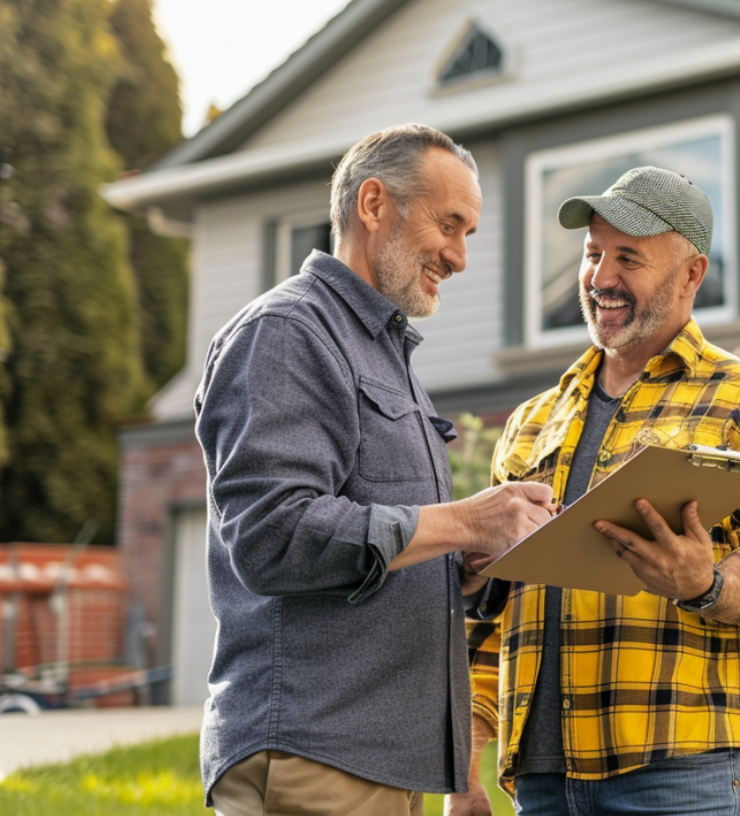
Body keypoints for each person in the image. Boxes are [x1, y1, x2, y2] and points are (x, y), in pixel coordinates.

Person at [195, 123, 555, 816]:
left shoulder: (390, 360)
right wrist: (466, 519)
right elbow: (273, 537)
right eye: (449, 225)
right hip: (313, 754)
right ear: (372, 204)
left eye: (469, 234)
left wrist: (475, 556)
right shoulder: (285, 332)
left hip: (383, 764)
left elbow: (391, 548)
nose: (459, 257)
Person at [459, 167, 740, 816]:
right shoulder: (532, 421)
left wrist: (706, 582)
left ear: (691, 274)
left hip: (682, 774)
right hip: (540, 782)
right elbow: (492, 615)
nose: (601, 277)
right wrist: (466, 765)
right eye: (593, 254)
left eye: (628, 257)